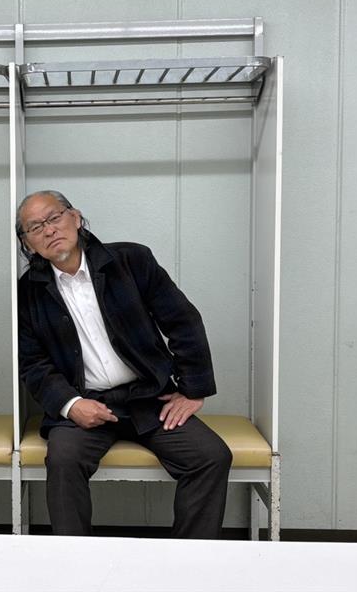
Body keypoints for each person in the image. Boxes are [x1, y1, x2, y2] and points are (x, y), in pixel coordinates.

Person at [16, 190, 232, 538]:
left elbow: (182, 320)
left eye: (54, 217)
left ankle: (190, 559)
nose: (49, 230)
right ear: (28, 243)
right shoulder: (28, 292)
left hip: (149, 398)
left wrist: (193, 389)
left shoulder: (131, 261)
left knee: (211, 457)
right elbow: (33, 363)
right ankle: (74, 561)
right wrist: (71, 405)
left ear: (76, 217)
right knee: (63, 461)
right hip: (85, 403)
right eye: (35, 227)